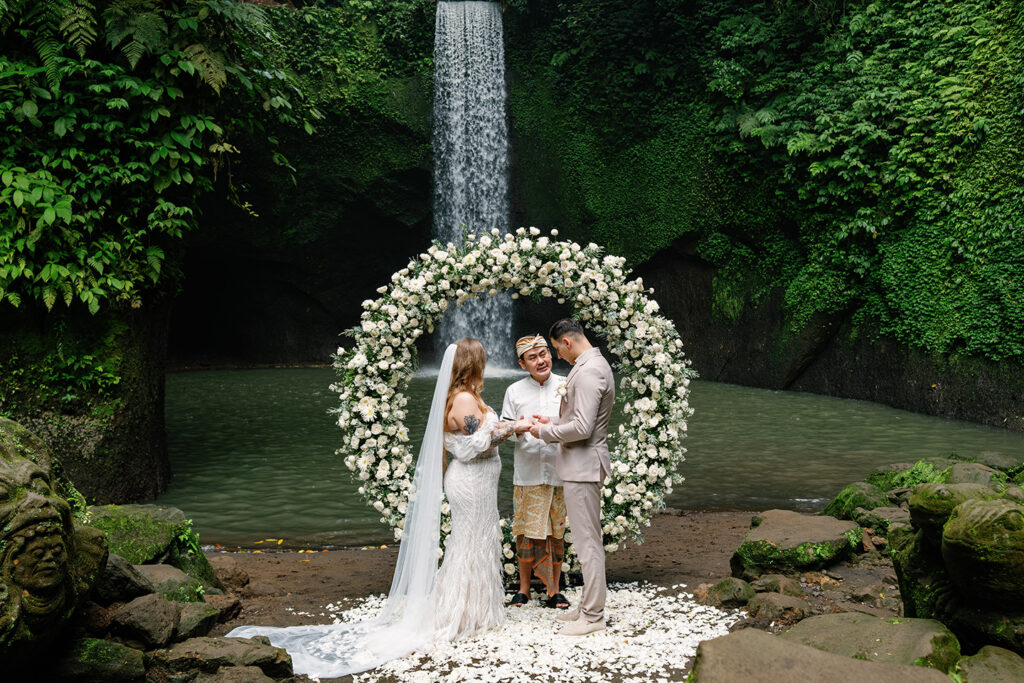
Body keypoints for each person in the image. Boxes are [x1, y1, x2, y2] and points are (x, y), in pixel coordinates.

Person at [227, 338, 531, 677]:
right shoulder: (462, 399)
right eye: (481, 359)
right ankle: (458, 614)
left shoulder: (468, 395)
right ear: (473, 363)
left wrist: (507, 426)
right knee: (468, 544)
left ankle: (474, 610)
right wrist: (514, 426)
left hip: (480, 483)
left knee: (476, 542)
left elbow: (478, 437)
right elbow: (477, 444)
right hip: (470, 484)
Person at [529, 319, 615, 637]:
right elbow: (578, 415)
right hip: (580, 465)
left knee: (588, 543)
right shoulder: (590, 365)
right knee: (585, 541)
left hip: (584, 465)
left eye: (555, 349)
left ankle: (593, 616)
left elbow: (582, 428)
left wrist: (544, 432)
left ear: (566, 342)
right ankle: (588, 607)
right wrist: (551, 419)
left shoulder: (591, 371)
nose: (557, 356)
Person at [501, 334, 569, 610]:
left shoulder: (566, 385)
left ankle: (555, 591)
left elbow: (577, 424)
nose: (541, 361)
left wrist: (552, 427)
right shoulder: (514, 391)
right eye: (532, 357)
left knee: (556, 533)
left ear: (551, 354)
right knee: (525, 534)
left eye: (543, 354)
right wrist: (519, 428)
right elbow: (504, 430)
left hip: (559, 471)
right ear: (522, 363)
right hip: (527, 473)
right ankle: (524, 589)